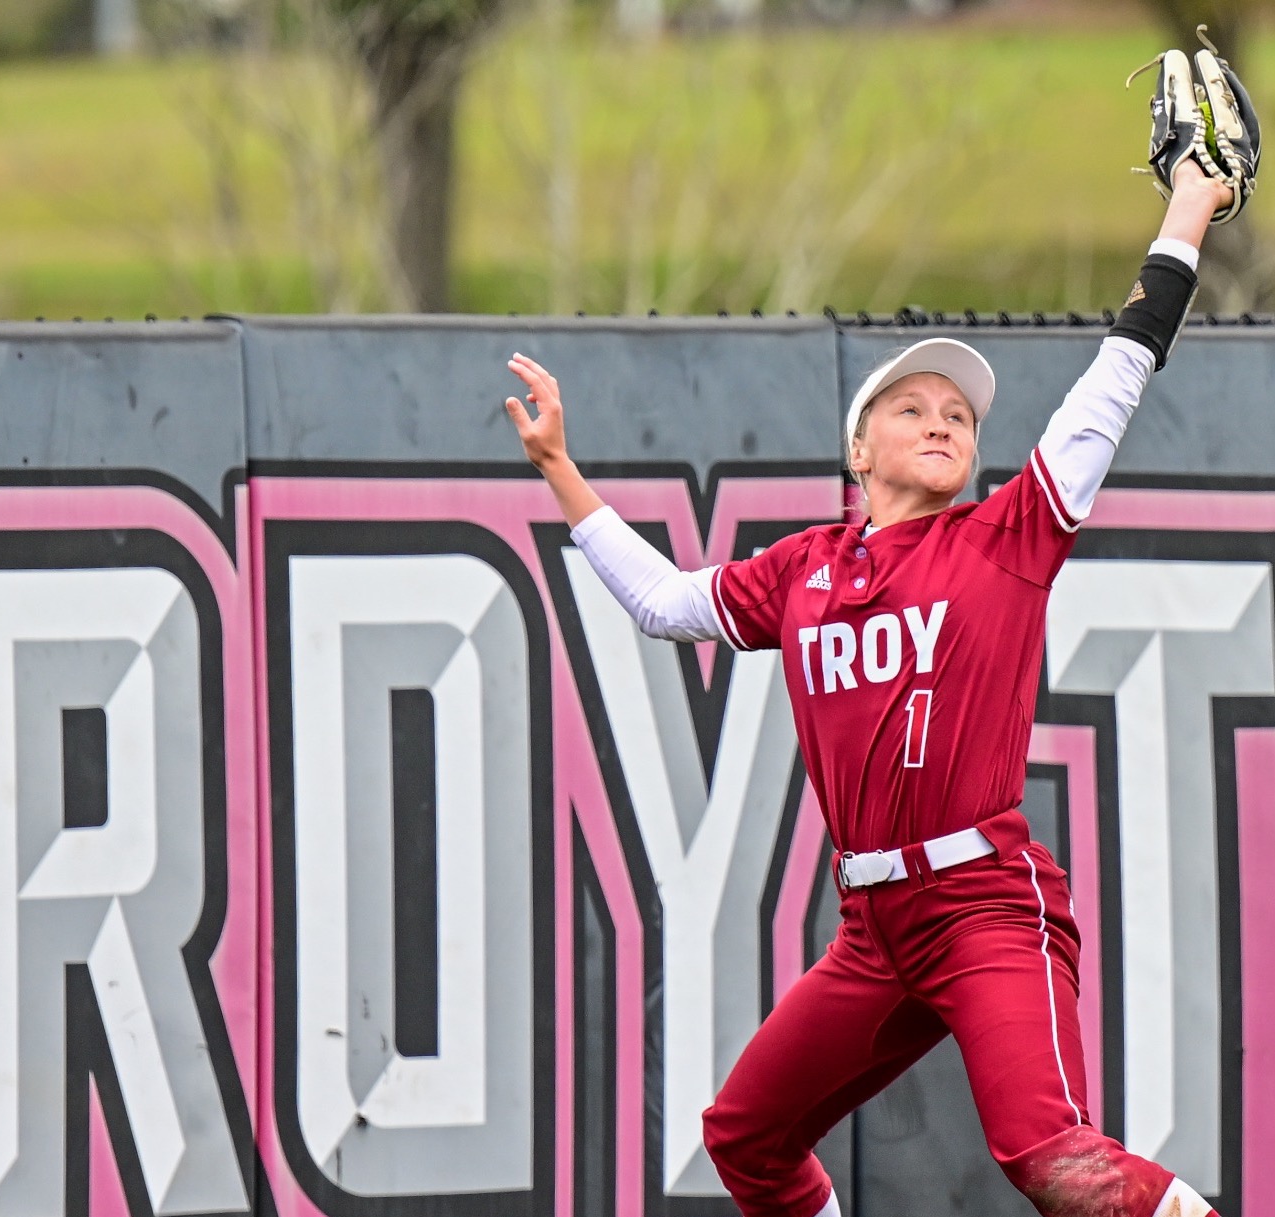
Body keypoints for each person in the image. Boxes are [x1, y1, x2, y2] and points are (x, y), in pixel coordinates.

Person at [504, 154, 1234, 1217]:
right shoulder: (801, 570)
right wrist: (560, 470)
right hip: (874, 924)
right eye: (913, 407)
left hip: (985, 902)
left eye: (960, 415)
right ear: (859, 448)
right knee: (746, 1136)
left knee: (1046, 1151)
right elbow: (663, 600)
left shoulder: (1004, 539)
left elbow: (1111, 386)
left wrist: (1187, 210)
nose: (943, 421)